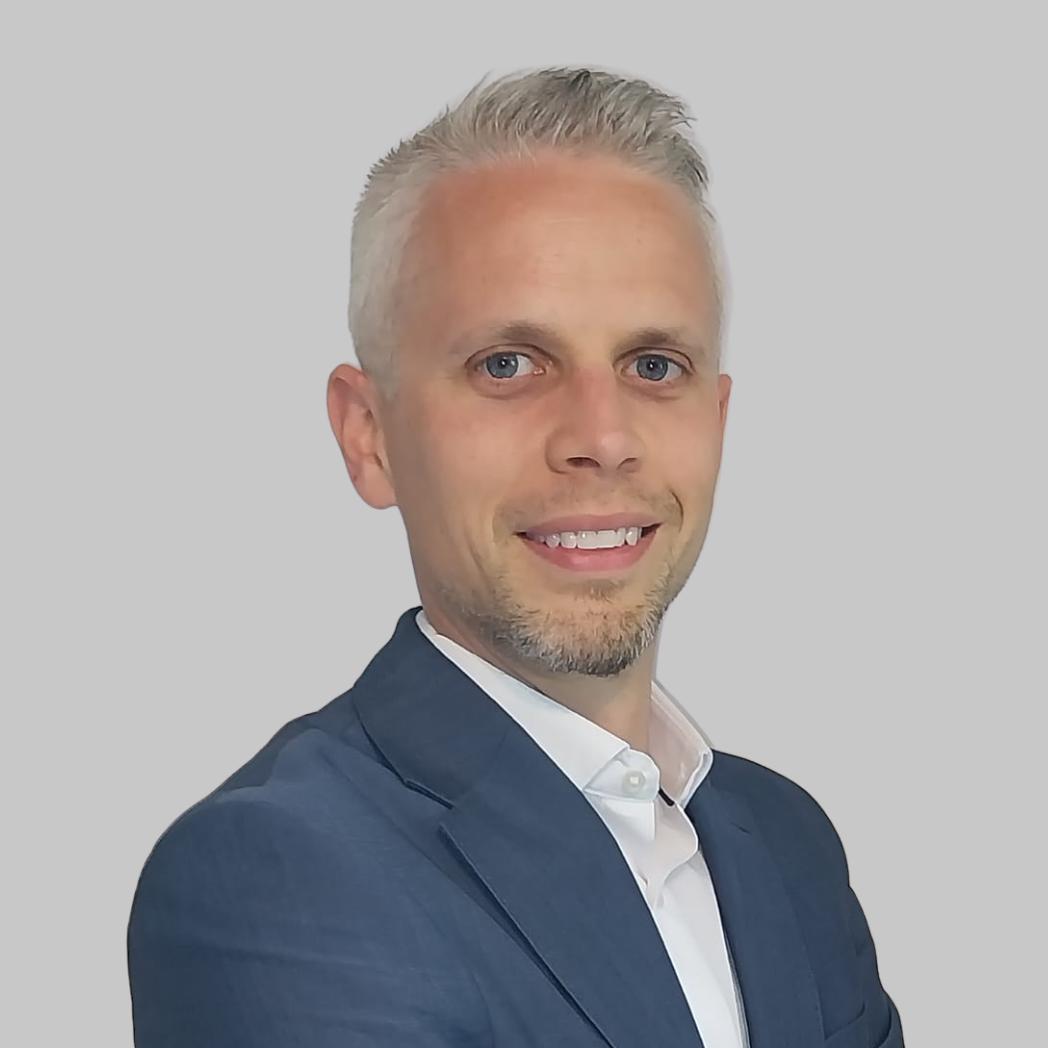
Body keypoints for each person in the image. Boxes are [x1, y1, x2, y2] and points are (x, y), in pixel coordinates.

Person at [127, 66, 904, 1047]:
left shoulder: (787, 846)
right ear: (369, 435)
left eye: (653, 366)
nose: (602, 435)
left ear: (716, 419)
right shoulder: (273, 873)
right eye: (509, 365)